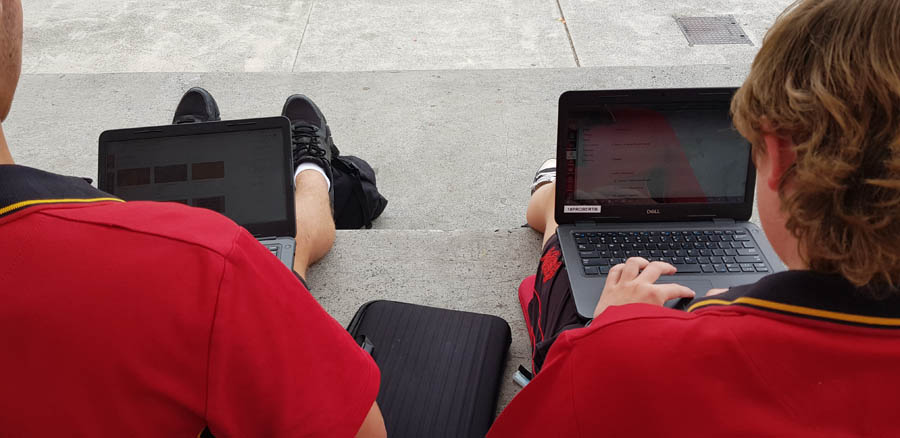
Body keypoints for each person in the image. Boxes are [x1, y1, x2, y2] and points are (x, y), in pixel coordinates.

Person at [490, 0, 900, 435]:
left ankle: (552, 186)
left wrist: (605, 329)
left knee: (561, 226)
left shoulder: (620, 352)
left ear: (778, 158)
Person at [0, 0, 385, 435]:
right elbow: (364, 431)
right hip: (208, 278)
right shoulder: (209, 262)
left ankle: (198, 152)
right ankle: (312, 171)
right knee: (285, 245)